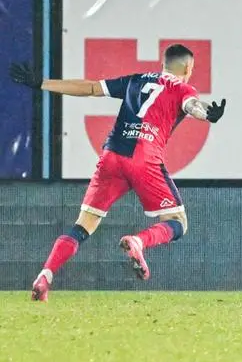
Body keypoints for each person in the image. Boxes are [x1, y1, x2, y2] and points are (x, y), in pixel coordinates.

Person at [8, 44, 226, 301]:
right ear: (188, 68)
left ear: (163, 63)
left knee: (83, 225)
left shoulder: (134, 81)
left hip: (112, 156)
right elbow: (192, 105)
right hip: (144, 158)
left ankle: (46, 275)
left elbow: (90, 88)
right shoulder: (183, 88)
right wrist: (207, 115)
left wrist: (41, 83)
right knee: (178, 222)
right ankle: (139, 242)